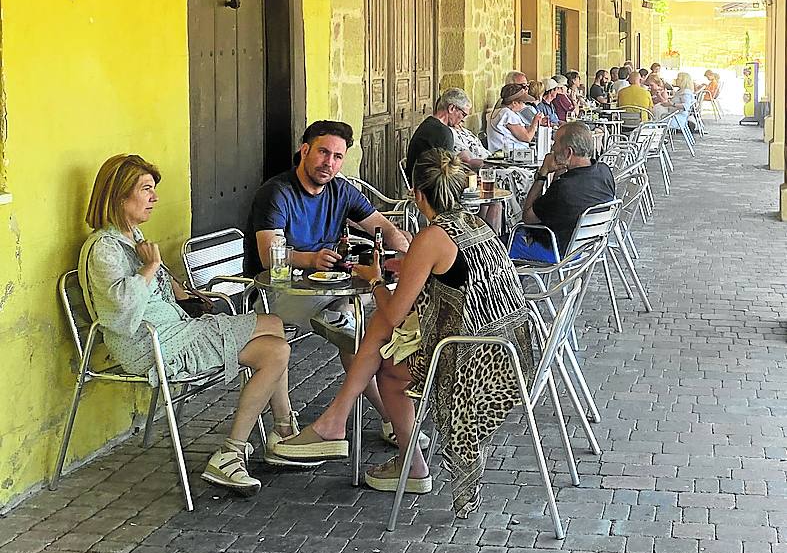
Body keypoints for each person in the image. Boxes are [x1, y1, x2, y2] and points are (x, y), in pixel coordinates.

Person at [272, 149, 534, 518]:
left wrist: (376, 278)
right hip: (511, 345)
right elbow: (452, 274)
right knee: (381, 335)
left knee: (389, 367)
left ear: (417, 195)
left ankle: (381, 448)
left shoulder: (432, 236)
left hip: (477, 360)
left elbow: (395, 312)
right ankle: (341, 425)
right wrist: (410, 267)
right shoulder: (475, 223)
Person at [79, 154, 304, 495]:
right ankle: (239, 452)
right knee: (275, 350)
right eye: (146, 190)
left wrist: (178, 288)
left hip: (177, 332)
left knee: (273, 327)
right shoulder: (103, 249)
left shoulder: (132, 236)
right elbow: (120, 313)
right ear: (120, 195)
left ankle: (280, 434)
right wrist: (151, 266)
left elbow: (156, 295)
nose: (154, 198)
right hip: (152, 346)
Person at [244, 120, 412, 447]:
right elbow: (269, 256)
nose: (329, 163)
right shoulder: (276, 192)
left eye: (337, 157)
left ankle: (390, 417)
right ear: (304, 150)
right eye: (323, 152)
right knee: (360, 335)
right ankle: (389, 417)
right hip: (279, 292)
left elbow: (382, 226)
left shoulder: (341, 190)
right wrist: (310, 259)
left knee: (367, 331)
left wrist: (405, 250)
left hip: (331, 294)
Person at [511, 122, 616, 262]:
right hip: (587, 247)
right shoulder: (604, 171)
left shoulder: (564, 188)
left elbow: (527, 217)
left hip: (556, 251)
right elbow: (557, 202)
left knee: (499, 246)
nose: (552, 147)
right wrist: (561, 171)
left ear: (568, 152)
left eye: (555, 143)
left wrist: (543, 174)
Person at [405, 88, 483, 180]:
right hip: (428, 185)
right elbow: (445, 172)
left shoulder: (429, 123)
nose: (463, 120)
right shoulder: (442, 132)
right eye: (463, 114)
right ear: (452, 108)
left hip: (418, 181)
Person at [486, 83, 543, 152]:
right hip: (509, 155)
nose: (524, 105)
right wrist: (534, 123)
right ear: (514, 103)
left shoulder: (500, 112)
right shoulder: (508, 115)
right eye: (522, 102)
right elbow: (527, 137)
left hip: (505, 153)